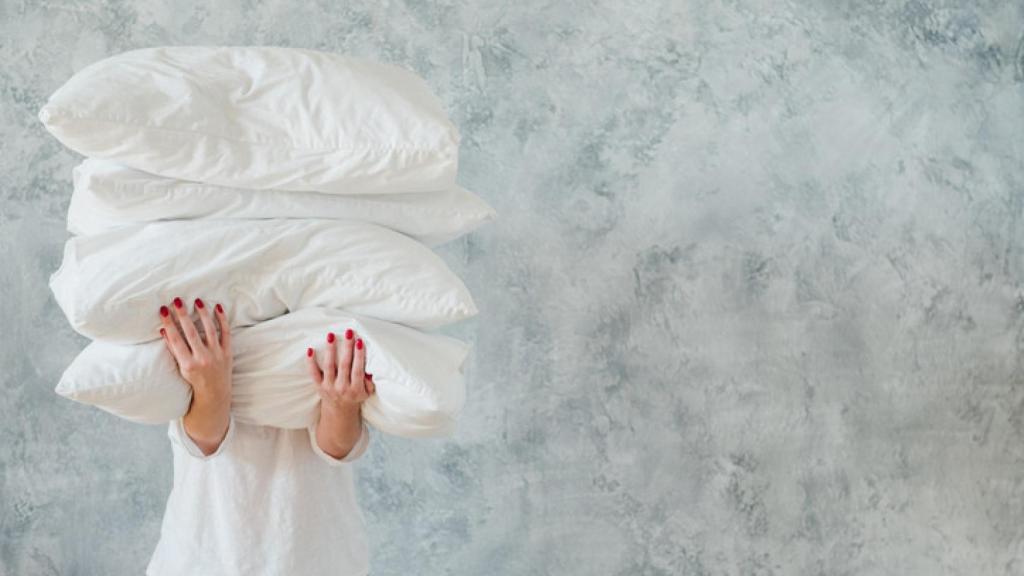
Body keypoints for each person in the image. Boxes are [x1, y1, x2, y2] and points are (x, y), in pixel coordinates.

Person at [144, 296, 375, 576]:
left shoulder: (326, 319)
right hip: (207, 558)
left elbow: (337, 448)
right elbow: (204, 442)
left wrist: (341, 405)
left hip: (316, 558)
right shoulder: (208, 300)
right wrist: (210, 388)